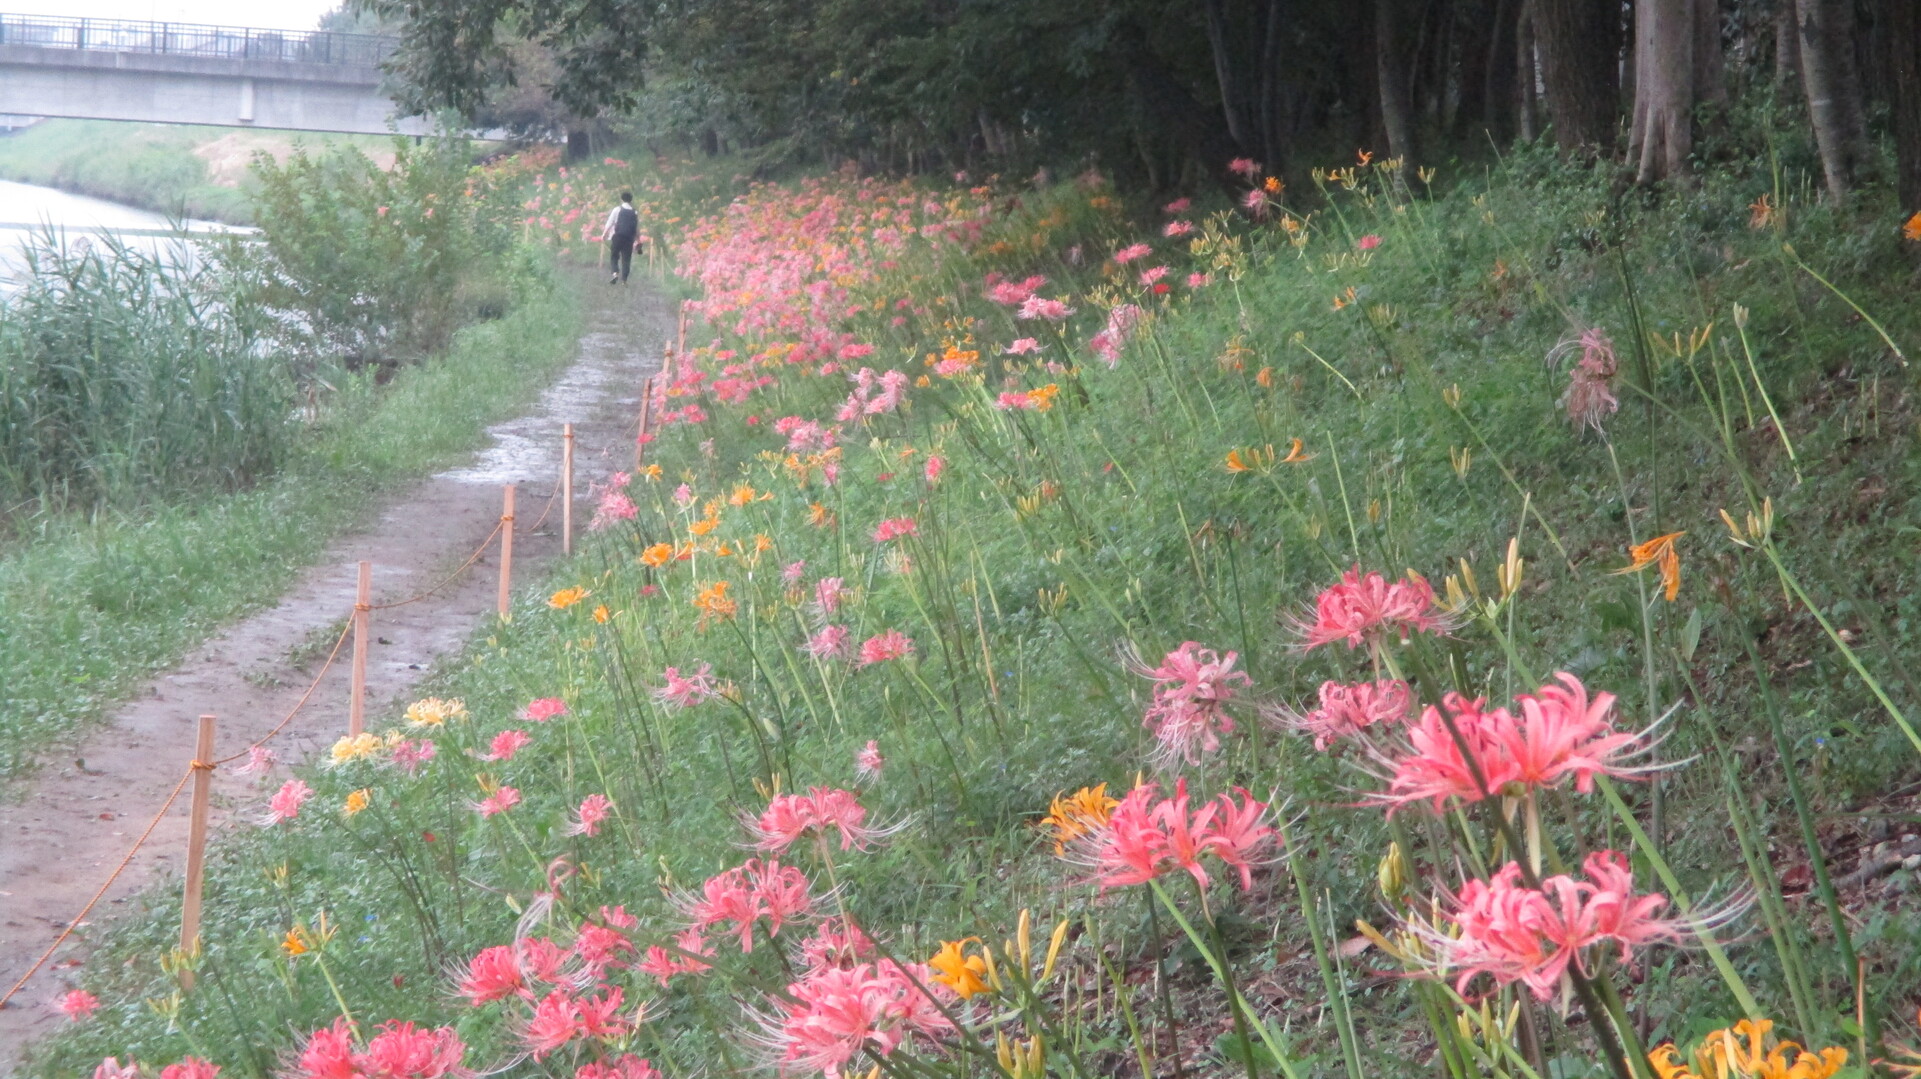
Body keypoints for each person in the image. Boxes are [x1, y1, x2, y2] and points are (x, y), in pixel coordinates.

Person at [601, 192, 641, 284]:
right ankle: (624, 280)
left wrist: (604, 234)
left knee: (614, 256)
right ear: (631, 200)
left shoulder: (617, 209)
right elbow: (636, 228)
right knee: (626, 258)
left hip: (618, 236)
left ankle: (615, 273)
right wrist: (638, 240)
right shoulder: (634, 212)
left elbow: (610, 223)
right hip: (629, 238)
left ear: (621, 199)